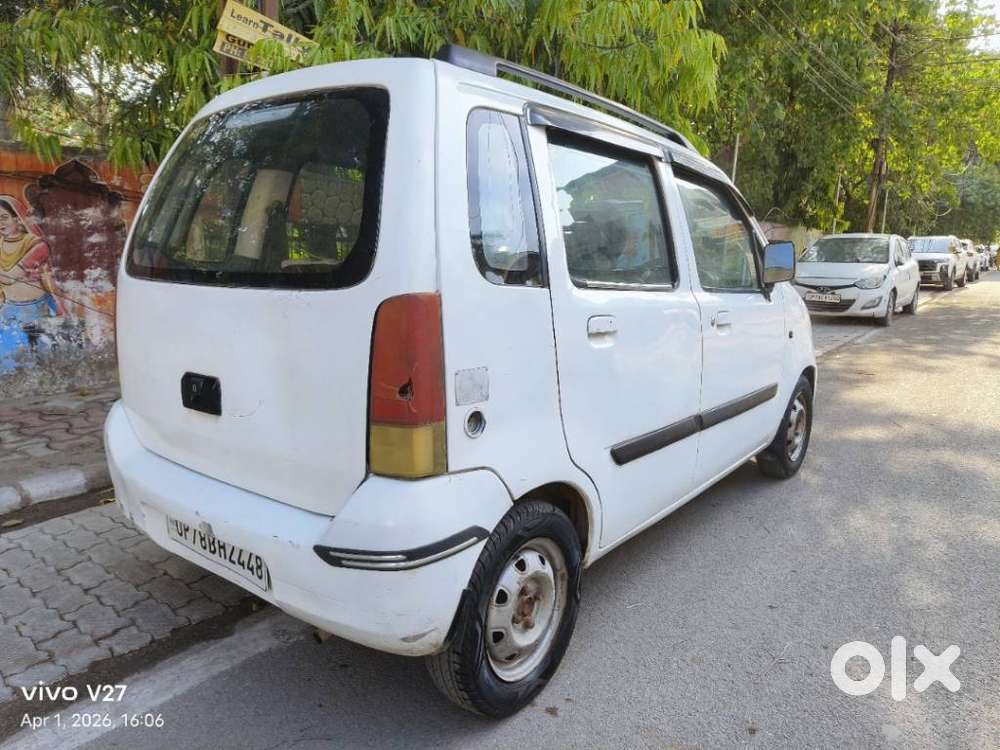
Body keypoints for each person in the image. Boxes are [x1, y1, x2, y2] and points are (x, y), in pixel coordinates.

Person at [0, 195, 65, 370]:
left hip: (35, 310)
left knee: (38, 361)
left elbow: (9, 277)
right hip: (8, 311)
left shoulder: (38, 246)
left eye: (4, 217)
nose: (0, 224)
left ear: (17, 218)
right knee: (8, 362)